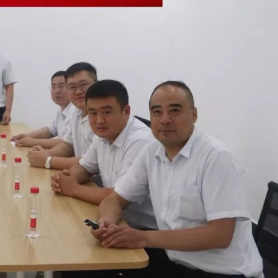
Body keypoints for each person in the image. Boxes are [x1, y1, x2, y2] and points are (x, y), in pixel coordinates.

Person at [91, 81, 263, 278]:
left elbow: (220, 235)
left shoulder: (216, 157)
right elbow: (114, 199)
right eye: (157, 112)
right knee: (97, 268)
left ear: (194, 115)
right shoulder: (151, 151)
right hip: (176, 261)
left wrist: (144, 237)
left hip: (223, 272)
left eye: (174, 110)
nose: (165, 119)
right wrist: (106, 225)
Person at [51, 80, 156, 230]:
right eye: (93, 113)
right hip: (114, 219)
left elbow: (118, 195)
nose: (99, 120)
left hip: (143, 229)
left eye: (106, 112)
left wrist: (73, 188)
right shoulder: (102, 136)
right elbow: (84, 167)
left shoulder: (140, 141)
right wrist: (67, 178)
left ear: (126, 111)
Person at [28, 62, 96, 170]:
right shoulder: (77, 112)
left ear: (96, 84)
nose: (78, 91)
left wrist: (48, 160)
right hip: (80, 173)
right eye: (72, 87)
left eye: (83, 84)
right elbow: (68, 145)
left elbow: (92, 161)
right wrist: (46, 154)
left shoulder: (101, 118)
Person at [10, 71, 73, 148]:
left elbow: (67, 142)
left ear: (71, 88)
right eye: (53, 87)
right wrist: (28, 136)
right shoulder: (62, 109)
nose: (56, 91)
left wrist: (33, 142)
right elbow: (50, 130)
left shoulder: (75, 112)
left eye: (61, 86)